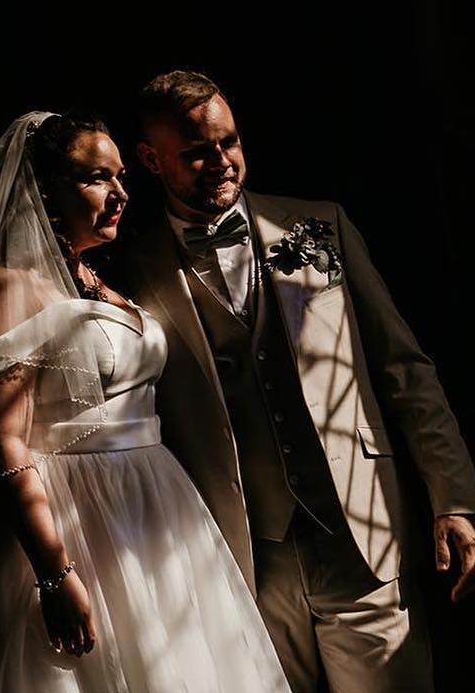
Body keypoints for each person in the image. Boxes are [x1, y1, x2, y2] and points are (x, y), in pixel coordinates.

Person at [0, 111, 290, 692]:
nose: (120, 193)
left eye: (120, 176)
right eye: (97, 178)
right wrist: (55, 573)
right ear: (43, 192)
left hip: (156, 501)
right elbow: (4, 438)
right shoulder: (11, 288)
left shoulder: (103, 279)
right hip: (80, 514)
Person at [124, 70, 475, 693]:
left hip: (361, 537)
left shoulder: (320, 226)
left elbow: (404, 369)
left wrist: (451, 495)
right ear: (151, 159)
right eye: (197, 151)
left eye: (228, 142)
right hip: (241, 561)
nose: (221, 161)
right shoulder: (132, 268)